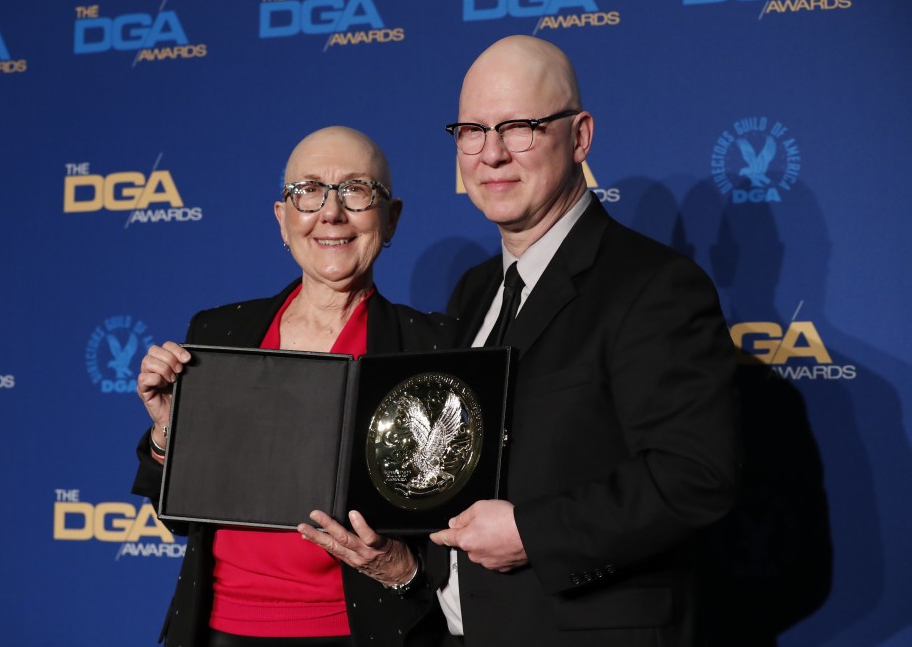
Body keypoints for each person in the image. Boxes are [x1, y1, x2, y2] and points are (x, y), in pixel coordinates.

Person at [426, 35, 741, 645]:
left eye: (519, 127)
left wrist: (533, 534)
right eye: (471, 130)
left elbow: (694, 474)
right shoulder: (472, 292)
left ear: (580, 136)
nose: (491, 154)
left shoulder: (654, 285)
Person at [132, 126, 452, 647]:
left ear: (390, 218)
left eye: (356, 190)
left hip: (358, 632)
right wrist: (170, 432)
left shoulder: (434, 348)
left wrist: (405, 569)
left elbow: (459, 518)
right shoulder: (219, 334)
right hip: (217, 630)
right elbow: (179, 519)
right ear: (283, 219)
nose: (331, 213)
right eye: (308, 192)